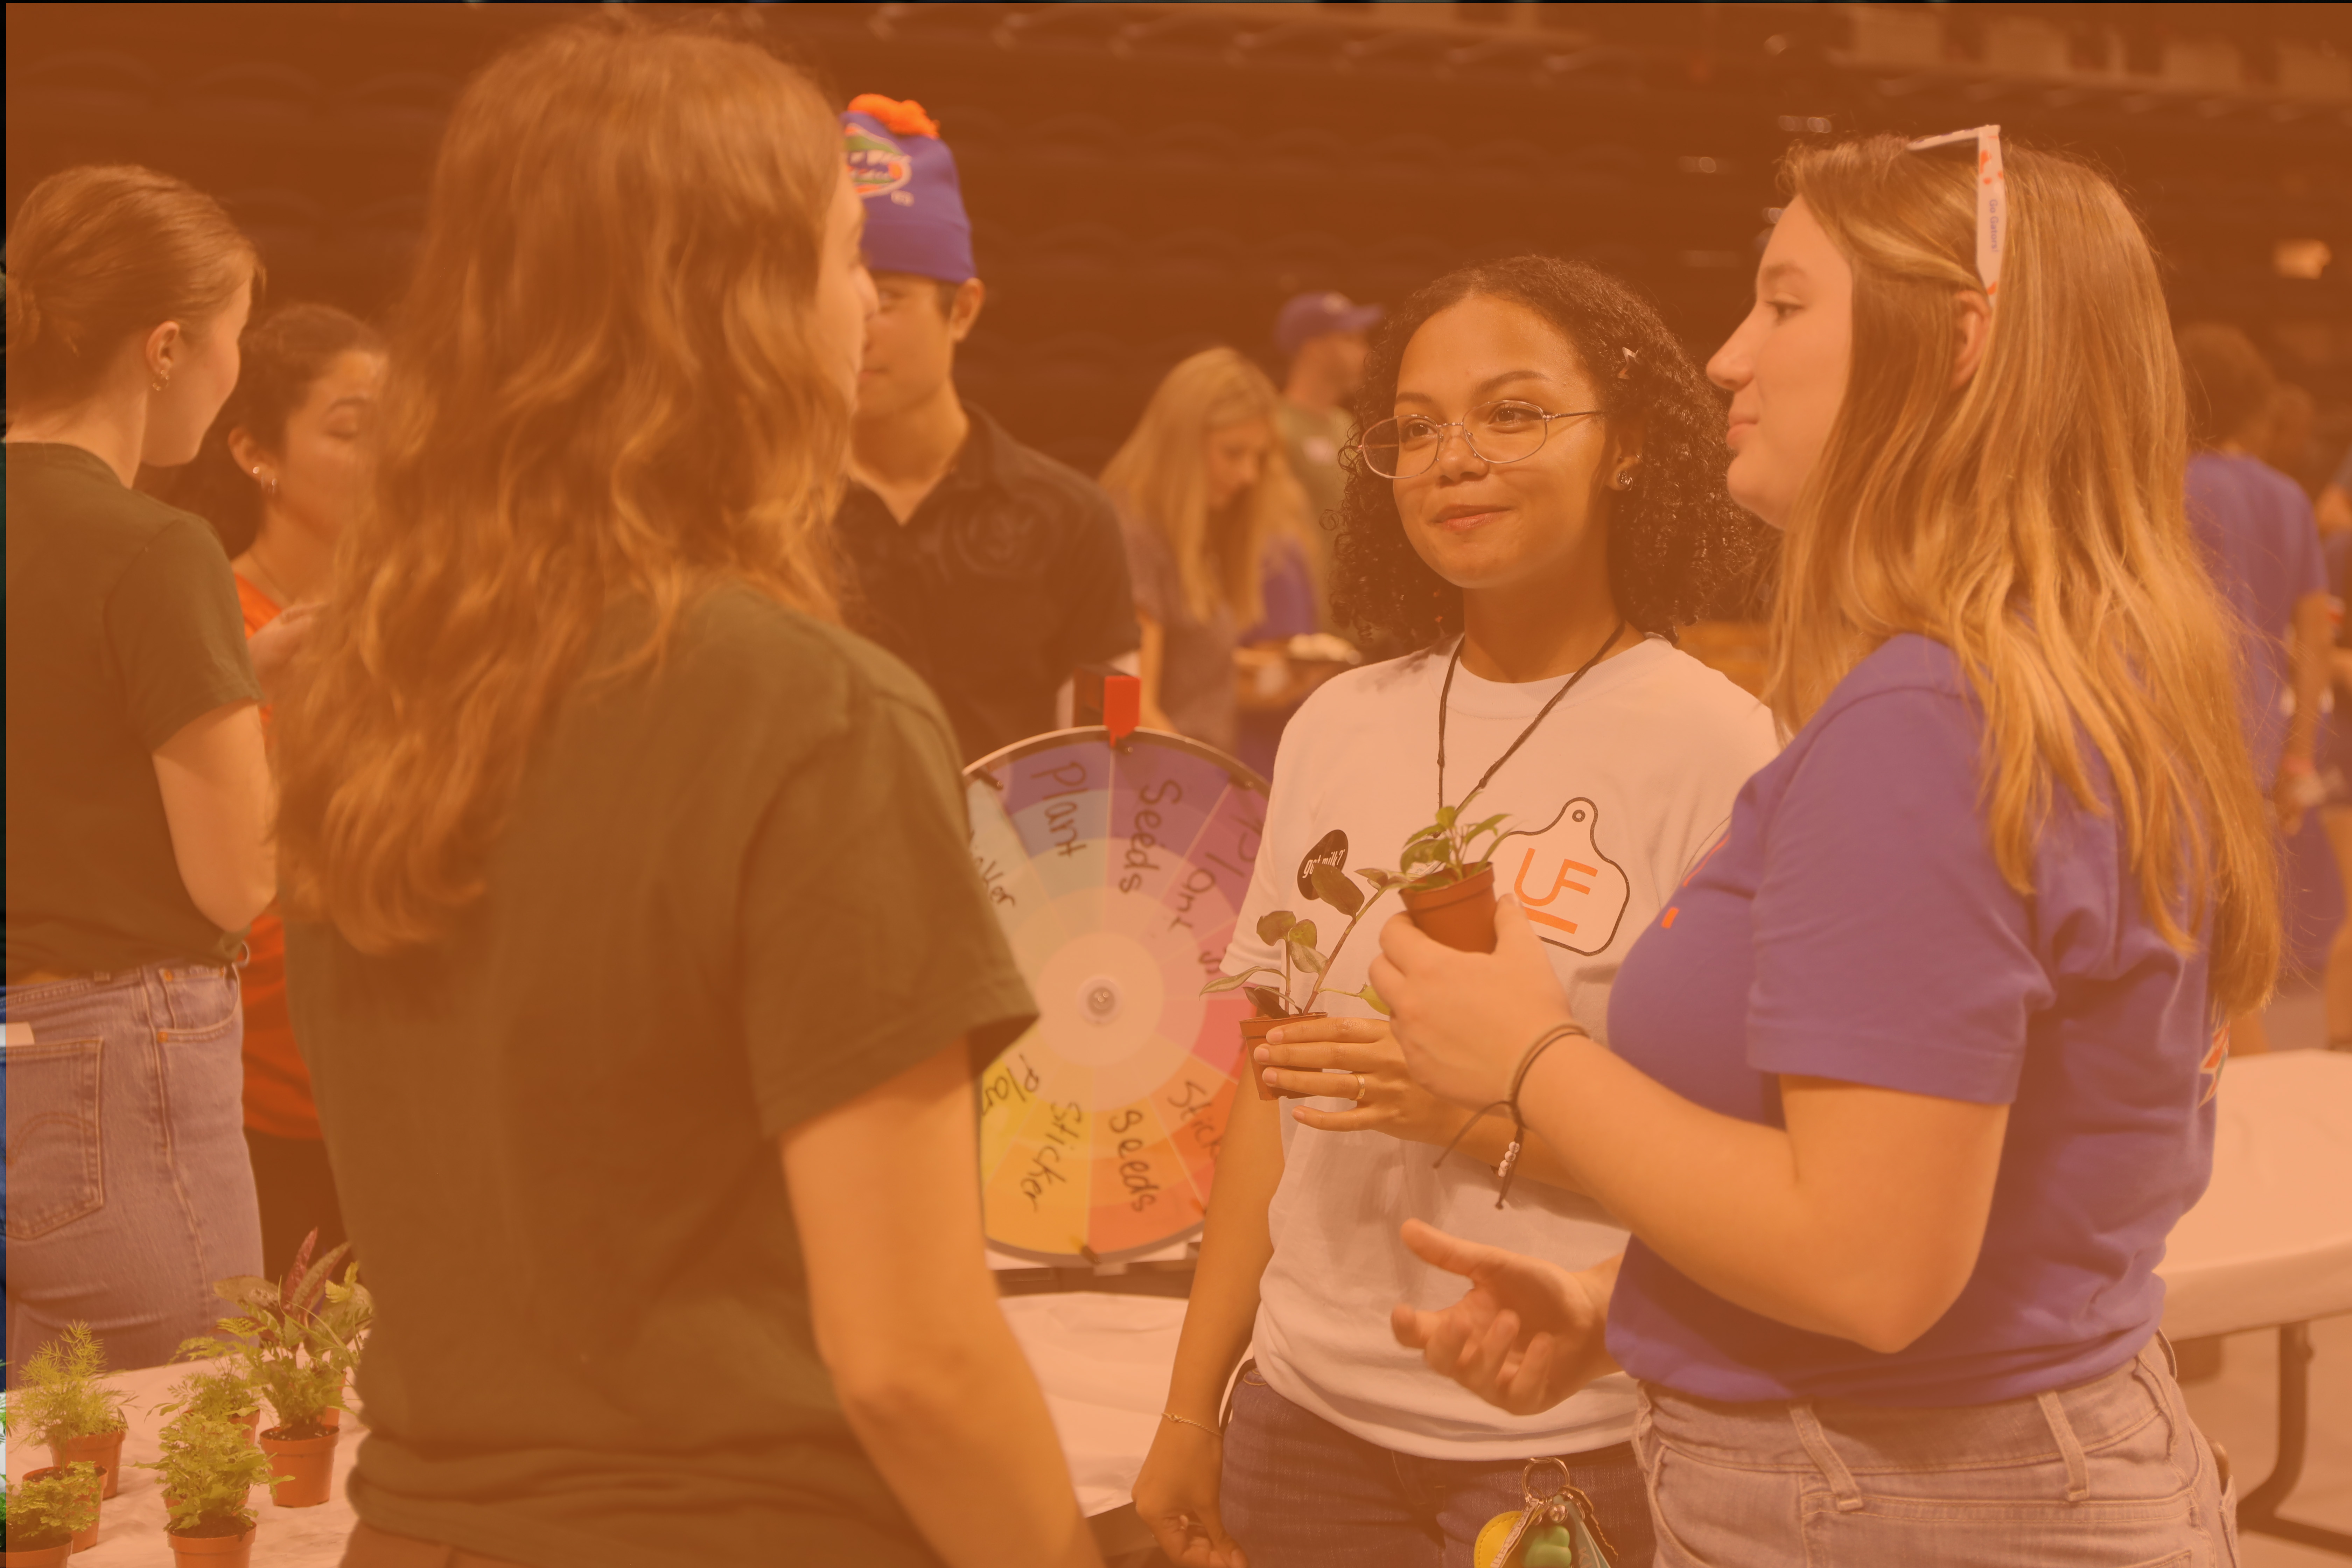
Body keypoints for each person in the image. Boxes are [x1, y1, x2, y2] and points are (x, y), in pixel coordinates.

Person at [266, 19, 1099, 1568]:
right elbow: (911, 1357)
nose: (864, 307)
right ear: (729, 308)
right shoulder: (810, 708)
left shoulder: (363, 694)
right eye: (846, 257)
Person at [1378, 134, 2255, 1568]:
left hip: (1909, 1499)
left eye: (1786, 305)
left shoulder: (1927, 714)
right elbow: (2011, 1184)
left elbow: (1871, 1263)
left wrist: (1526, 1058)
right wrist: (1633, 1302)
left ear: (1954, 343)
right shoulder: (2069, 669)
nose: (1729, 358)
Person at [1131, 258, 1777, 1568]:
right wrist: (1195, 1401)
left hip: (1579, 1433)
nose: (1452, 458)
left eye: (1512, 413)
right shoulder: (1333, 724)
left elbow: (1750, 1166)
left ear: (1630, 445)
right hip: (1304, 1424)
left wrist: (1467, 1112)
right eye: (1415, 428)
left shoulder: (1716, 745)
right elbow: (1271, 1097)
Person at [4, 164, 274, 1374]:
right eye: (234, 341)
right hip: (112, 1058)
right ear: (166, 348)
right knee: (175, 1482)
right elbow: (235, 886)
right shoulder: (157, 549)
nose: (234, 375)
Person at [165, 301, 388, 1279]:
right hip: (260, 1097)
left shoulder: (431, 618)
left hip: (407, 1077)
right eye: (351, 429)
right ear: (258, 453)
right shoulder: (209, 615)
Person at [834, 93, 1139, 763]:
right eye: (835, 290)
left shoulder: (1068, 518)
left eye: (888, 299)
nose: (858, 322)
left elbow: (1107, 746)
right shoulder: (770, 508)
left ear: (963, 311)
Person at [2176, 322, 2329, 1055]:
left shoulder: (2167, 485)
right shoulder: (2289, 498)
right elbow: (2315, 639)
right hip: (2263, 738)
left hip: (2183, 730)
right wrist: (2297, 757)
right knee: (2233, 942)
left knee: (2194, 942)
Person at [1104, 348, 1334, 758]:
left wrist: (1272, 678)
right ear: (1182, 443)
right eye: (1233, 453)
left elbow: (1195, 688)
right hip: (1163, 797)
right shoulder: (1136, 532)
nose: (1248, 475)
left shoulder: (1189, 535)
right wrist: (1208, 795)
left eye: (1257, 458)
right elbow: (1132, 709)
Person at [1275, 289, 1380, 546]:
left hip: (1349, 584)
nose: (1365, 352)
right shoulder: (1275, 425)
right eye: (1350, 339)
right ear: (1314, 349)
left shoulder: (1346, 425)